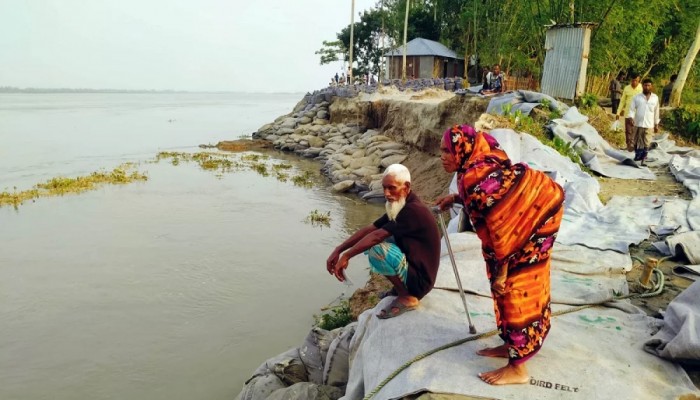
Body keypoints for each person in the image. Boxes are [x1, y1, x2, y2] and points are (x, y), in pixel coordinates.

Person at [435, 124, 564, 385]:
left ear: (461, 150)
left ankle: (518, 369)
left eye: (447, 151)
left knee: (515, 287)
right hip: (533, 212)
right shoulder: (473, 165)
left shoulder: (474, 175)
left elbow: (501, 226)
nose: (443, 157)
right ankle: (512, 345)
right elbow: (490, 196)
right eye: (441, 151)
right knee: (503, 282)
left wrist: (503, 272)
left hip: (538, 217)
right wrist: (456, 198)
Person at [326, 164, 441, 319]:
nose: (387, 193)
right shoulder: (402, 205)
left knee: (377, 250)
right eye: (384, 188)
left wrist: (347, 256)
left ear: (406, 187)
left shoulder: (412, 211)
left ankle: (406, 296)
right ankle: (400, 289)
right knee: (372, 240)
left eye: (392, 188)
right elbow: (371, 229)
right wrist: (338, 249)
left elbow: (377, 236)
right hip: (414, 266)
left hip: (421, 281)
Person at [628, 78, 660, 165]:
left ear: (651, 86)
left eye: (649, 85)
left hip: (649, 124)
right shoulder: (637, 97)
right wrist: (631, 118)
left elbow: (656, 111)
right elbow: (631, 109)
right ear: (642, 86)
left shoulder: (655, 98)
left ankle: (644, 159)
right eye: (645, 85)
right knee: (636, 140)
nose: (647, 87)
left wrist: (656, 123)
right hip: (638, 123)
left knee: (647, 141)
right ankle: (637, 155)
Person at [617, 72, 643, 151]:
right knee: (628, 131)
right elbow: (622, 101)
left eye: (636, 81)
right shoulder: (626, 88)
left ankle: (637, 146)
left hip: (639, 114)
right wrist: (618, 112)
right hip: (628, 113)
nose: (634, 82)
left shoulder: (642, 89)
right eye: (633, 80)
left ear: (639, 81)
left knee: (638, 131)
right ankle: (629, 147)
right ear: (630, 80)